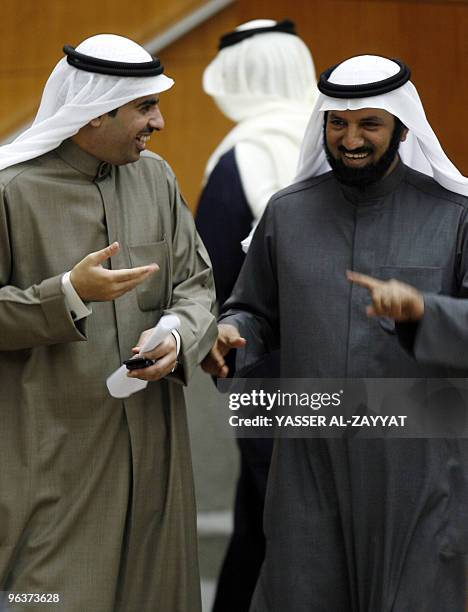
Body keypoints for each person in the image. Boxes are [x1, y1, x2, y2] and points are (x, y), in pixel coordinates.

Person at [202, 54, 468, 610]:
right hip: (309, 460)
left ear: (400, 127)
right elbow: (256, 311)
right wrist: (231, 333)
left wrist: (425, 310)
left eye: (370, 124)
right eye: (337, 123)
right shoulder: (287, 214)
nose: (351, 138)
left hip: (417, 466)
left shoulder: (454, 215)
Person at [0, 34, 217, 611]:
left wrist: (174, 334)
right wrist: (68, 294)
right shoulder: (12, 190)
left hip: (155, 453)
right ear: (95, 114)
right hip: (52, 462)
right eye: (145, 108)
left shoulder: (157, 179)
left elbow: (196, 284)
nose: (160, 122)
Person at [195, 19, 317, 612]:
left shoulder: (244, 154)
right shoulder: (343, 142)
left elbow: (209, 277)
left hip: (268, 371)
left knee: (280, 521)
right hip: (359, 367)